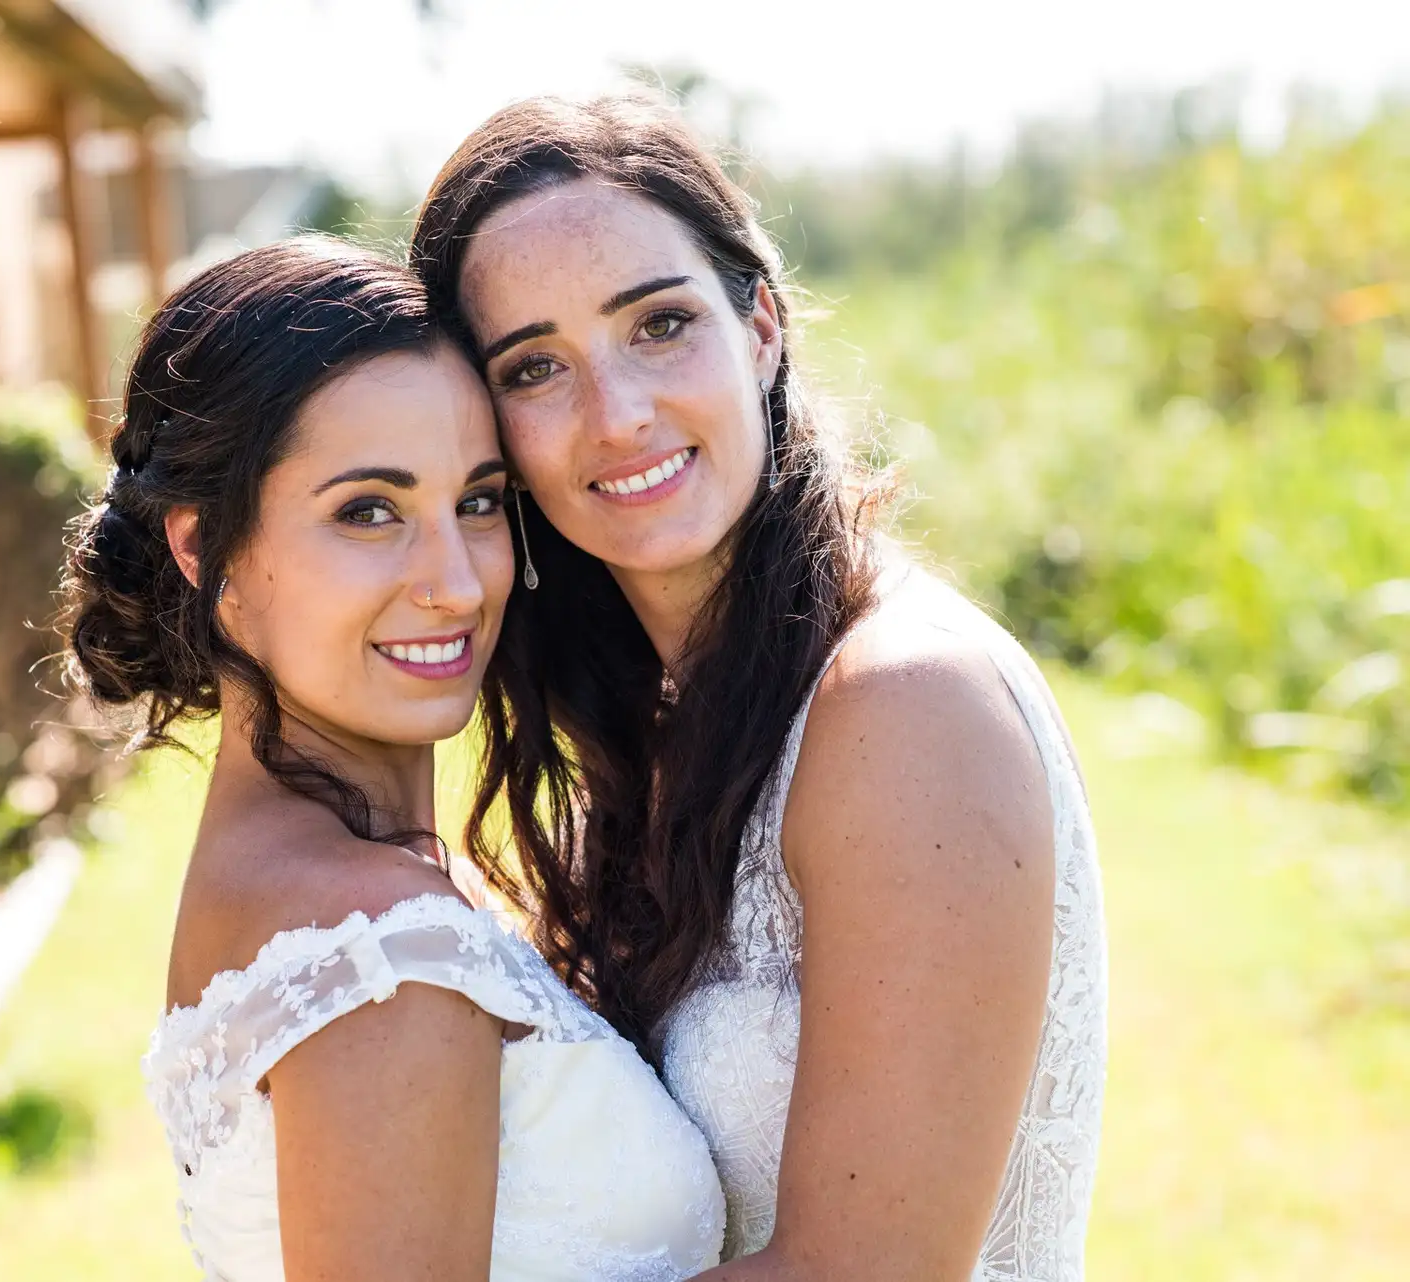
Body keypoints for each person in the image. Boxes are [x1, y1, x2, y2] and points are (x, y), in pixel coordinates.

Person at [410, 95, 1107, 1281]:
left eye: (660, 324)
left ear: (763, 327)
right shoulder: (654, 726)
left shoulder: (906, 706)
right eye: (535, 367)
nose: (618, 415)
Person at [60, 237, 724, 1280]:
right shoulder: (382, 951)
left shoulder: (292, 884)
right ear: (202, 547)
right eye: (368, 512)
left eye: (479, 501)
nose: (456, 583)